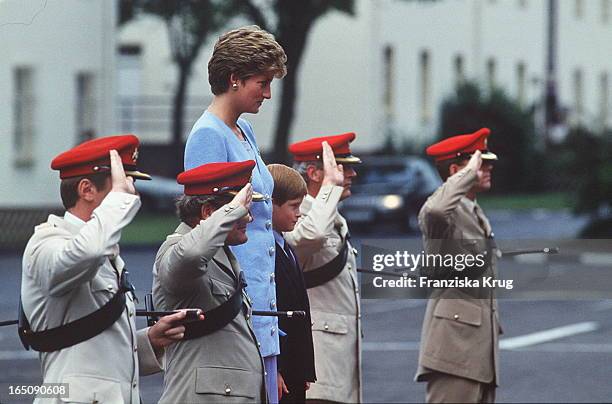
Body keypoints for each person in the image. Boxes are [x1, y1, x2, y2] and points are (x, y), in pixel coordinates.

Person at [20, 135, 192, 404]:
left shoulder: (106, 250)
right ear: (87, 190)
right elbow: (86, 252)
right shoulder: (46, 242)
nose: (132, 192)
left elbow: (96, 351)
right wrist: (118, 203)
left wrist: (150, 342)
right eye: (123, 183)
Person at [184, 24, 287, 402]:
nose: (268, 93)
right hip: (236, 300)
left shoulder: (242, 128)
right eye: (261, 82)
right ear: (234, 79)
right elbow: (206, 229)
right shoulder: (208, 136)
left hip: (263, 300)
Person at [153, 160, 266, 403]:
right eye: (243, 210)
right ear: (208, 213)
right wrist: (231, 211)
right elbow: (192, 255)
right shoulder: (176, 249)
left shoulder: (222, 253)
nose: (249, 217)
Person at [415, 128, 501, 403]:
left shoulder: (473, 211)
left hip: (476, 351)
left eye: (487, 162)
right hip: (454, 350)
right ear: (455, 170)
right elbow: (435, 210)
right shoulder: (445, 214)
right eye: (478, 163)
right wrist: (464, 177)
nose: (487, 167)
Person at [285, 134, 362, 403]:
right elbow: (312, 236)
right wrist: (331, 188)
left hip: (339, 362)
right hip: (319, 367)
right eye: (341, 167)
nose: (350, 173)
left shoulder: (332, 216)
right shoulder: (299, 218)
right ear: (314, 173)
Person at [267, 164, 316, 403]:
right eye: (293, 206)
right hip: (280, 371)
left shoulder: (285, 247)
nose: (299, 213)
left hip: (294, 370)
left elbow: (300, 311)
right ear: (270, 203)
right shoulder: (265, 252)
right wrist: (273, 369)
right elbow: (269, 315)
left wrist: (304, 367)